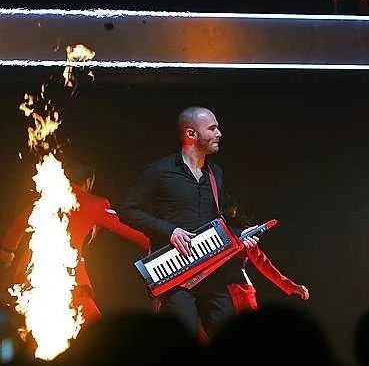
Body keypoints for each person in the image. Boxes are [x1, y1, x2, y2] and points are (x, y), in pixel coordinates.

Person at [118, 106, 308, 340]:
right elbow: (127, 211)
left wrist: (241, 234)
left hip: (213, 271)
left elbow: (218, 221)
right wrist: (170, 231)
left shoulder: (215, 173)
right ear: (191, 134)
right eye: (212, 128)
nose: (219, 133)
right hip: (175, 274)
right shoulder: (159, 171)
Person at [0, 156, 151, 325]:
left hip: (31, 276)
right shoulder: (95, 204)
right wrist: (157, 242)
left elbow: (18, 226)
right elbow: (128, 229)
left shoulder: (45, 199)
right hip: (68, 281)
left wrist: (8, 252)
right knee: (97, 331)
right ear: (89, 180)